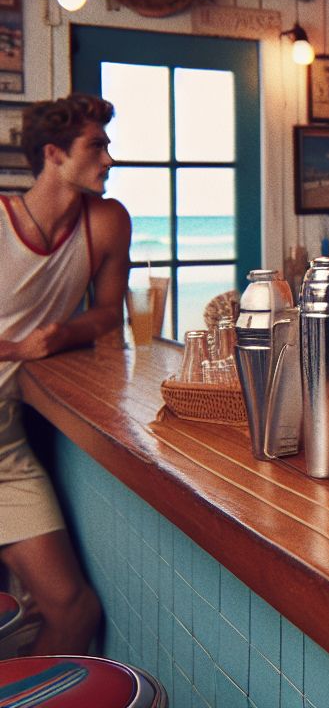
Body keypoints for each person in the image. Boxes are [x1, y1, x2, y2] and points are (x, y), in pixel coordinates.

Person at [0, 94, 131, 653]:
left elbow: (107, 314)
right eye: (96, 146)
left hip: (4, 453)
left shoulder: (106, 221)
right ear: (54, 154)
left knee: (75, 611)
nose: (109, 159)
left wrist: (61, 335)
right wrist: (16, 346)